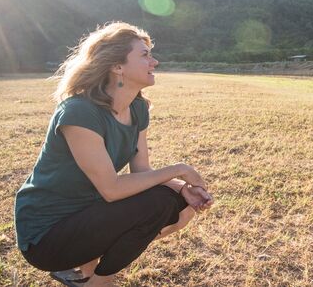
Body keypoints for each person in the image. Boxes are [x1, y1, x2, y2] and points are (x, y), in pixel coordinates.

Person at [14, 22, 213, 287]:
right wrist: (179, 170)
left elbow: (142, 172)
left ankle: (84, 274)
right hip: (47, 234)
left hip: (86, 215)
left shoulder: (137, 108)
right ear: (117, 66)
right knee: (158, 204)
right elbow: (111, 189)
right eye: (144, 55)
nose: (154, 61)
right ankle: (96, 283)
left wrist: (181, 187)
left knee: (178, 203)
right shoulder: (80, 112)